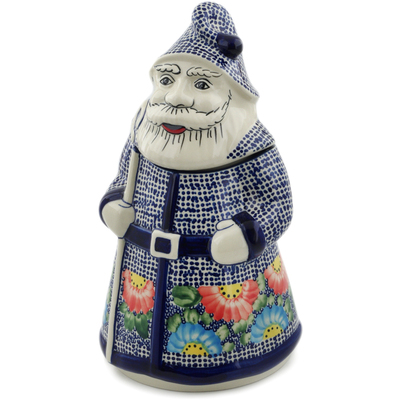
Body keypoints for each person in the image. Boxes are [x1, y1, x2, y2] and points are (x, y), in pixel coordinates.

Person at [99, 2, 301, 391]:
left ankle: (239, 359)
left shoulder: (251, 142)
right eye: (167, 80)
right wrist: (113, 203)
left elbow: (279, 203)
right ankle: (135, 353)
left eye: (202, 85)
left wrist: (247, 235)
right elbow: (125, 175)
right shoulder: (144, 127)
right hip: (142, 267)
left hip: (227, 275)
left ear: (232, 91)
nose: (177, 97)